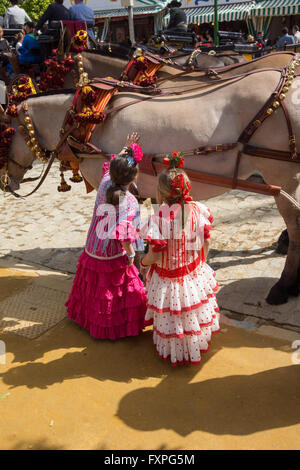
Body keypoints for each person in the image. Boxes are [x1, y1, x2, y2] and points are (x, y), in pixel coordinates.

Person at [140, 153, 220, 366]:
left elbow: (155, 255)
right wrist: (201, 263)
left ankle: (178, 354)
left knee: (174, 320)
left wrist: (142, 264)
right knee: (191, 315)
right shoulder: (198, 210)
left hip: (169, 279)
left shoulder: (158, 220)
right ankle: (194, 347)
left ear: (161, 192)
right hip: (193, 271)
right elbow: (206, 243)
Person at [66, 132, 147, 340]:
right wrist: (130, 257)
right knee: (113, 291)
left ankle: (87, 320)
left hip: (93, 247)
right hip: (112, 254)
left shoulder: (104, 182)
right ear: (134, 177)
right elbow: (123, 234)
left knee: (94, 288)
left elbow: (114, 165)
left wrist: (125, 148)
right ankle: (110, 327)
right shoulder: (129, 201)